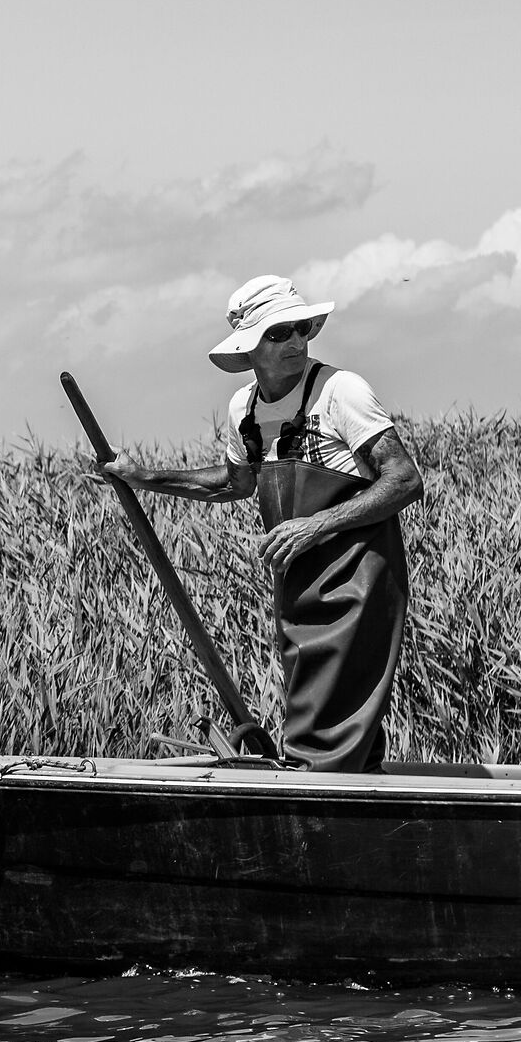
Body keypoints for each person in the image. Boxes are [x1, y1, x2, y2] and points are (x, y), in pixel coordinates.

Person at [97, 276, 423, 771]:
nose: (295, 342)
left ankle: (308, 801)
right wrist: (144, 477)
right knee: (320, 702)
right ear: (250, 347)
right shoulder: (244, 409)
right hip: (297, 578)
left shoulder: (340, 391)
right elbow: (234, 482)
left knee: (328, 712)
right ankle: (355, 801)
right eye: (278, 334)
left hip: (358, 577)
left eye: (300, 329)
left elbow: (403, 479)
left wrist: (317, 526)